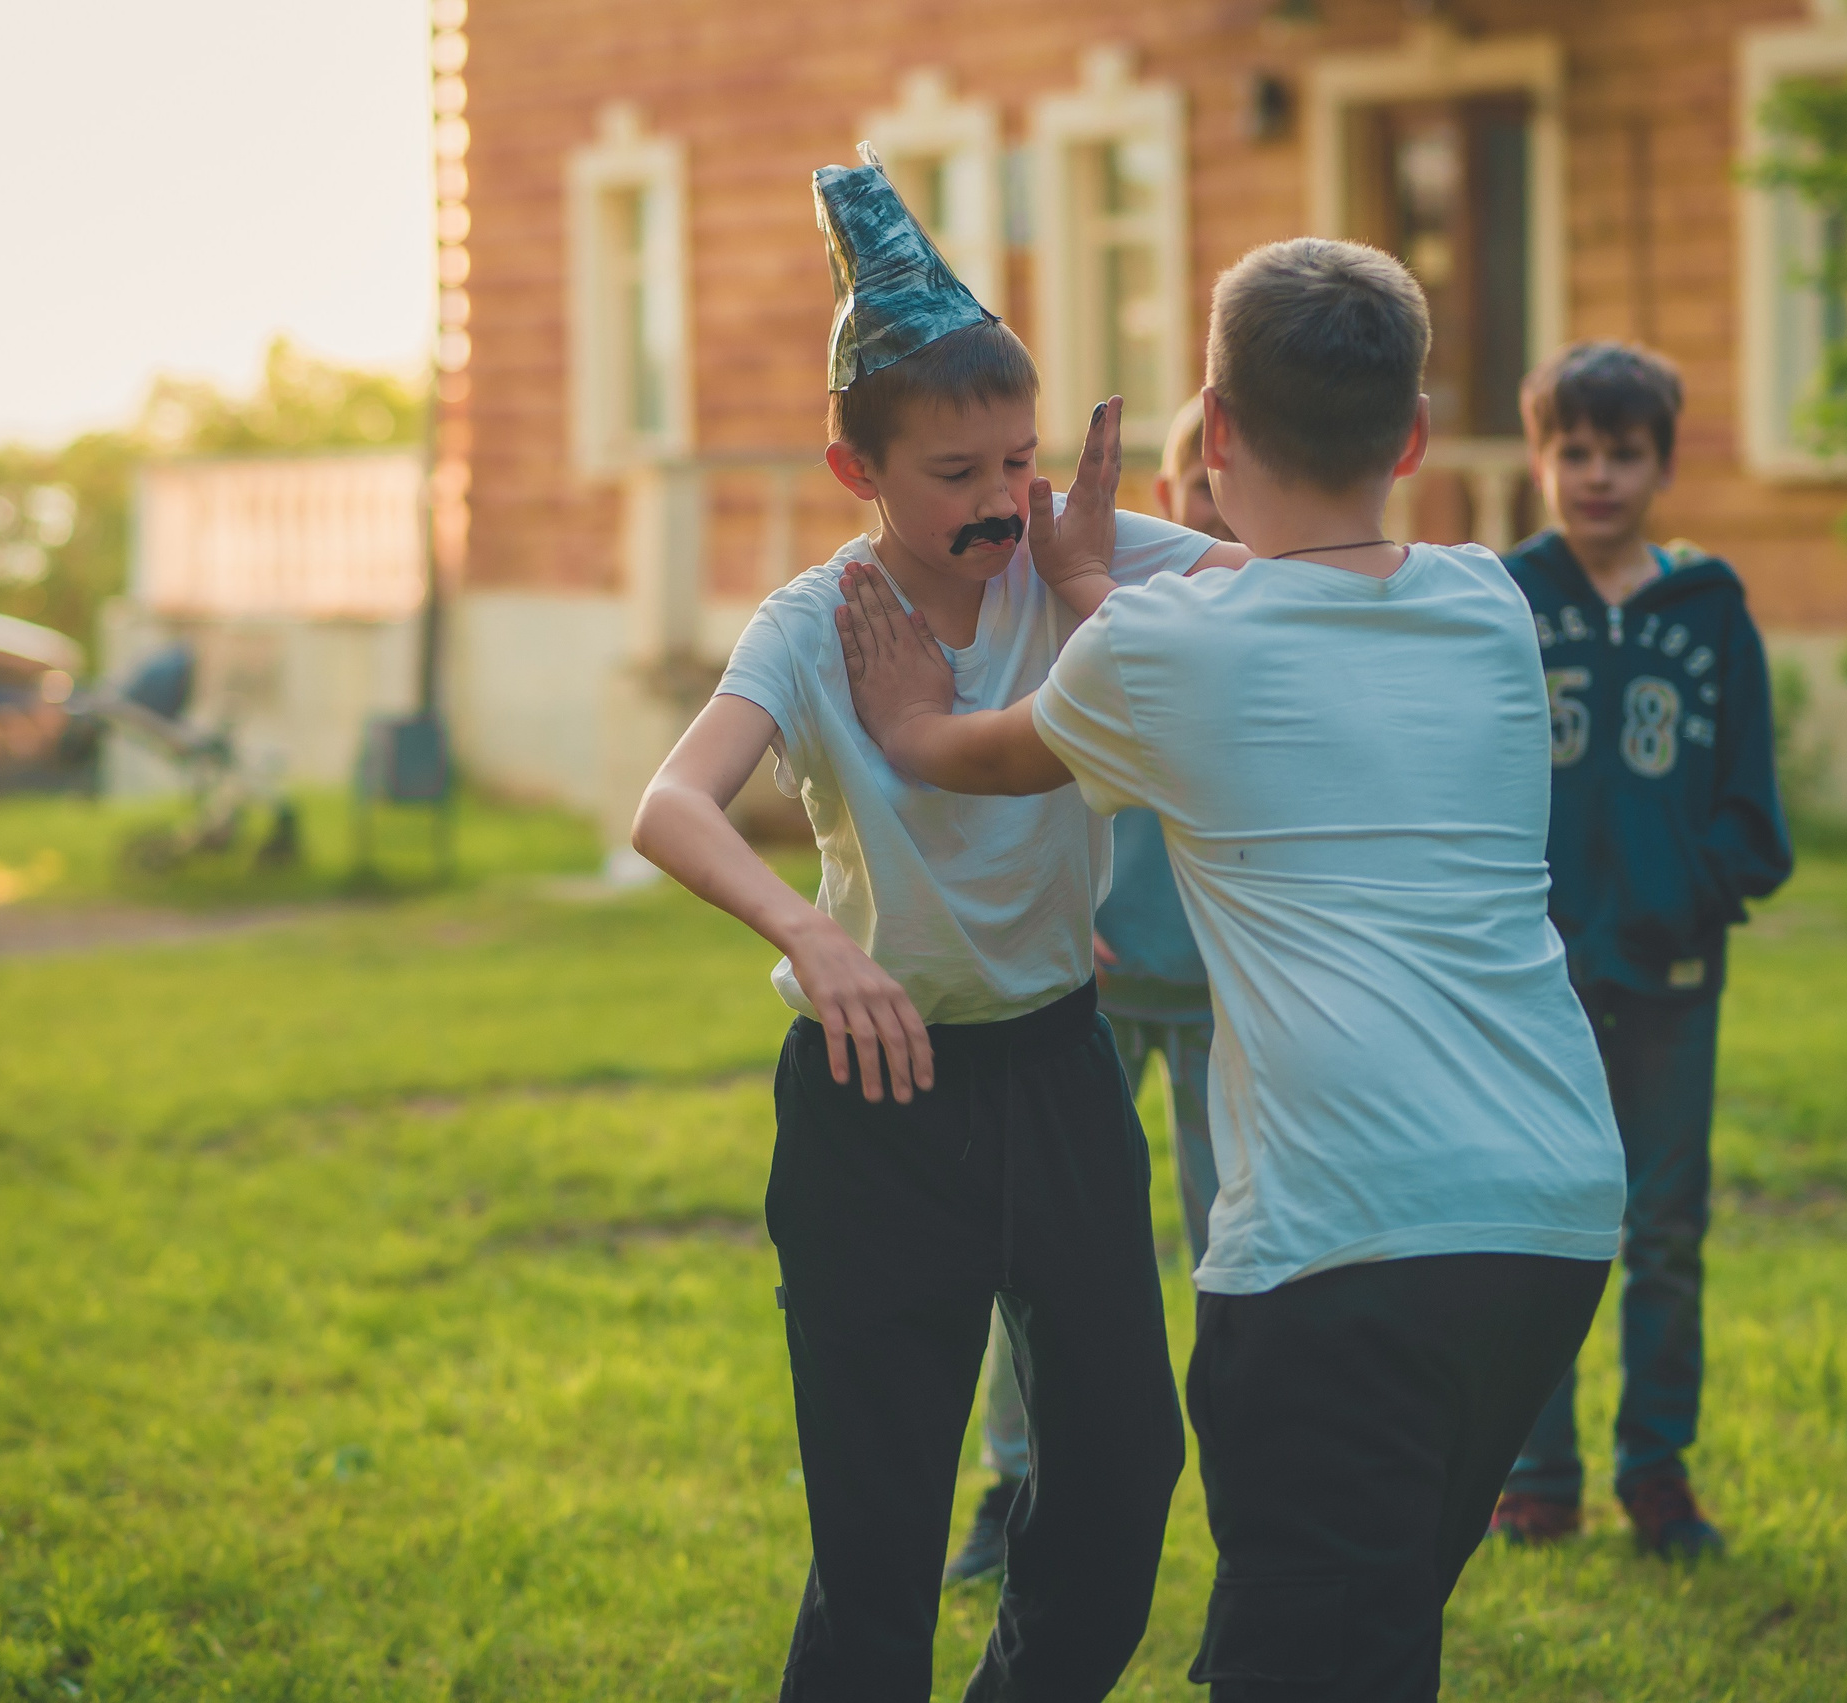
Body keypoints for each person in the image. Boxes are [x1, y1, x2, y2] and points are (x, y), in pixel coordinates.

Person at [834, 235, 1626, 1700]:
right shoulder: (1490, 606)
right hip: (1550, 1216)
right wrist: (1100, 594)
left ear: (1220, 430)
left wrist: (903, 707)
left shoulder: (1165, 647)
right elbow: (1260, 642)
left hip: (1344, 1250)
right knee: (1374, 1630)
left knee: (1308, 1662)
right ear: (1413, 436)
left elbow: (959, 751)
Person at [626, 146, 1247, 1701]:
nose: (997, 505)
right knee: (883, 1528)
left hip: (1055, 1067)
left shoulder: (1066, 553)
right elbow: (672, 804)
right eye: (954, 476)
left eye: (1016, 463)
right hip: (872, 1100)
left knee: (1120, 1462)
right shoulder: (816, 619)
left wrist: (1101, 580)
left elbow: (1273, 603)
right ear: (862, 473)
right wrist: (810, 935)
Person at [1486, 342, 1792, 1558]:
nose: (1596, 474)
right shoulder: (1505, 597)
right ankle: (1536, 1467)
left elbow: (1748, 792)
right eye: (1574, 451)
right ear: (1539, 457)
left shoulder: (1708, 607)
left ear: (1662, 463)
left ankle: (1655, 1466)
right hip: (1532, 982)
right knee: (1540, 1219)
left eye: (1622, 453)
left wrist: (1692, 889)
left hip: (1669, 976)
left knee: (1663, 1228)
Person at [945, 394, 1232, 1587]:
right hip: (1101, 987)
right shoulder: (1104, 617)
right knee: (1046, 1256)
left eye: (1236, 481)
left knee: (1233, 1246)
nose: (1219, 506)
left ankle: (1242, 1487)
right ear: (1170, 500)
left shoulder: (1268, 635)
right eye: (1201, 485)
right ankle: (1011, 1481)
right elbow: (1033, 763)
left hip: (1224, 1001)